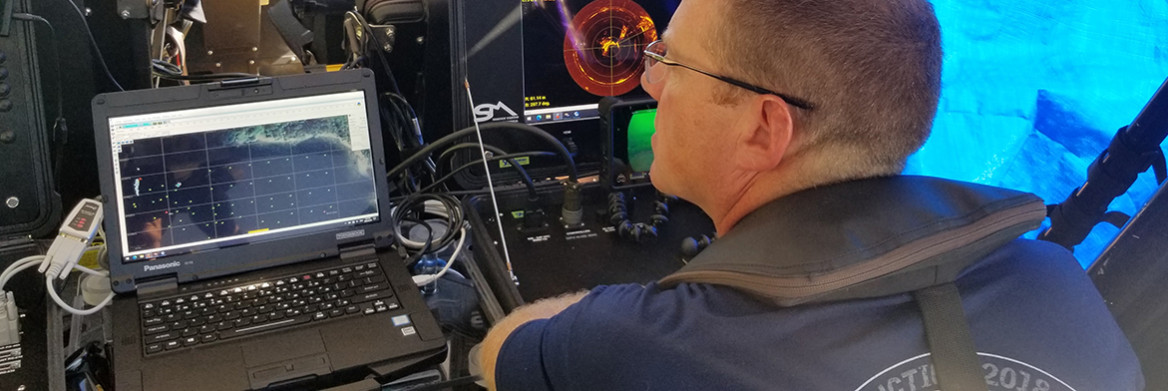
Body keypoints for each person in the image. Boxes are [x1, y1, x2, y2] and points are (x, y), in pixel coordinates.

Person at [477, 0, 1145, 389]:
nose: (649, 84)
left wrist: (612, 304)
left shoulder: (648, 341)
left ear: (765, 127)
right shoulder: (1059, 280)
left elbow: (497, 352)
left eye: (669, 62)